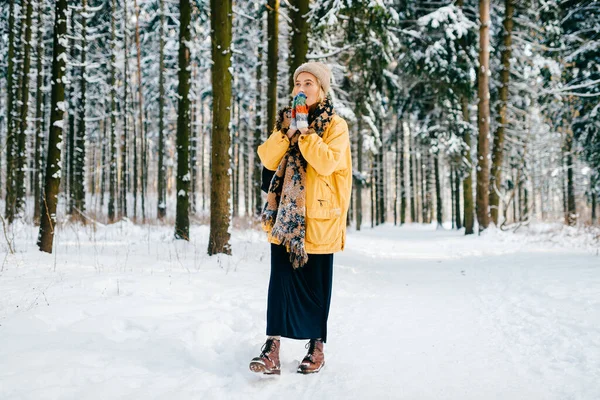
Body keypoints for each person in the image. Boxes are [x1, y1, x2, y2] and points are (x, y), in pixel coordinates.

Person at [249, 62, 352, 375]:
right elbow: (266, 157)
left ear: (321, 89)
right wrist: (287, 133)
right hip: (286, 217)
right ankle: (272, 348)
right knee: (280, 282)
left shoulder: (336, 126)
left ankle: (316, 346)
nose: (302, 88)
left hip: (319, 215)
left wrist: (306, 134)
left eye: (309, 83)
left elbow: (326, 163)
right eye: (298, 83)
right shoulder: (286, 122)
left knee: (316, 284)